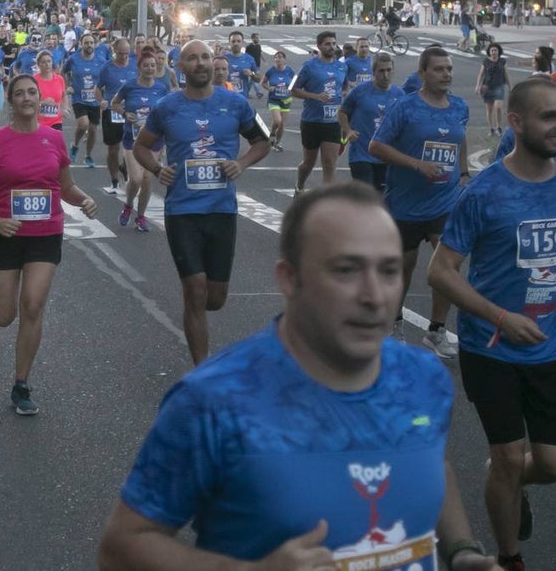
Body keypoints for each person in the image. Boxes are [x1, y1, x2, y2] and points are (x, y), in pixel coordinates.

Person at [98, 181, 497, 571]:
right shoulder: (213, 401)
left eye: (389, 271)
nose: (375, 295)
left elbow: (434, 463)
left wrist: (462, 551)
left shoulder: (424, 379)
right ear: (289, 278)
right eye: (346, 270)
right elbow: (122, 547)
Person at [428, 77, 556, 571]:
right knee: (507, 456)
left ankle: (510, 481)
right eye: (547, 117)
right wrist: (502, 316)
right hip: (493, 346)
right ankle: (510, 557)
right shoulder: (485, 192)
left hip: (549, 348)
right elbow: (440, 271)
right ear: (518, 123)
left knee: (547, 464)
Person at [0, 73, 97, 415]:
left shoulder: (54, 139)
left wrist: (84, 200)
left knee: (33, 306)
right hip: (2, 234)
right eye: (19, 93)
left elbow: (65, 186)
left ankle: (21, 384)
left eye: (32, 92)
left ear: (40, 98)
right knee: (7, 315)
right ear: (10, 101)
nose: (26, 98)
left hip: (45, 233)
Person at [133, 40, 270, 365]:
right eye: (192, 58)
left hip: (222, 210)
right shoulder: (167, 106)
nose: (200, 63)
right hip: (182, 210)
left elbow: (262, 141)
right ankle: (201, 371)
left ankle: (201, 319)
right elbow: (141, 147)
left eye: (205, 57)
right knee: (195, 290)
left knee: (215, 298)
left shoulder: (236, 104)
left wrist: (241, 163)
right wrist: (157, 168)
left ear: (214, 63)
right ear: (180, 67)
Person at [369, 46, 469, 357]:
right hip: (406, 204)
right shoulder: (405, 108)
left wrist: (463, 172)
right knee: (404, 267)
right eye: (439, 69)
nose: (446, 74)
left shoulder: (459, 107)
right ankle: (393, 323)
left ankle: (436, 330)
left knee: (447, 267)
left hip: (445, 200)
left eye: (449, 69)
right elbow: (376, 146)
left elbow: (460, 136)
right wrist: (416, 164)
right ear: (423, 73)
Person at [111, 49, 170, 233]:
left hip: (154, 140)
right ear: (139, 68)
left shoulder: (161, 88)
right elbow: (114, 103)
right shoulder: (130, 86)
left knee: (146, 179)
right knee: (135, 178)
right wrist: (124, 113)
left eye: (153, 65)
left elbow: (167, 110)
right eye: (146, 65)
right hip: (132, 138)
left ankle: (141, 216)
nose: (150, 68)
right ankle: (128, 205)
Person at [338, 52, 404, 192]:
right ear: (373, 71)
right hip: (361, 155)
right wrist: (348, 130)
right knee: (366, 197)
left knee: (382, 199)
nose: (385, 75)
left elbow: (404, 124)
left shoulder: (400, 95)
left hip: (386, 156)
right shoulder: (360, 91)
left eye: (388, 70)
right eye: (381, 71)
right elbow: (342, 112)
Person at [292, 31, 348, 195]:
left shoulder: (342, 66)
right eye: (327, 44)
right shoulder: (309, 67)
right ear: (319, 46)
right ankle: (300, 186)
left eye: (333, 44)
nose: (331, 47)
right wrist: (315, 96)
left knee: (330, 163)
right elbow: (293, 90)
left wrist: (343, 93)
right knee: (308, 163)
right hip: (312, 121)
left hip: (332, 122)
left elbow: (344, 86)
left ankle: (327, 200)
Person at [96, 38, 138, 195]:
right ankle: (114, 180)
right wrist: (102, 101)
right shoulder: (107, 68)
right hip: (112, 112)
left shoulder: (135, 65)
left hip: (131, 111)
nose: (124, 57)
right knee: (113, 148)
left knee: (132, 146)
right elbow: (97, 88)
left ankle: (126, 169)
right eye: (121, 54)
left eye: (127, 54)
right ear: (115, 51)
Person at [64, 32, 104, 168]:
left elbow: (105, 77)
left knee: (93, 130)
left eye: (91, 43)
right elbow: (64, 72)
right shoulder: (73, 59)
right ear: (81, 45)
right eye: (86, 43)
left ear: (95, 44)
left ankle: (88, 155)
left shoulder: (100, 60)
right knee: (83, 124)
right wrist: (68, 85)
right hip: (78, 98)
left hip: (94, 100)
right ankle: (75, 145)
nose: (89, 45)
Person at [260, 50, 295, 151]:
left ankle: (277, 143)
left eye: (280, 57)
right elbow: (263, 82)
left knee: (282, 125)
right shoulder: (271, 71)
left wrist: (290, 88)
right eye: (276, 57)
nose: (278, 59)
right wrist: (268, 88)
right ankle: (272, 133)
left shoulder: (289, 70)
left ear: (284, 60)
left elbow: (295, 82)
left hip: (286, 100)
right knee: (277, 121)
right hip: (274, 99)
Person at [475, 43, 512, 137]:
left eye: (495, 50)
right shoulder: (486, 61)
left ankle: (498, 127)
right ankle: (491, 128)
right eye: (492, 50)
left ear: (499, 51)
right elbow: (481, 74)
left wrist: (510, 86)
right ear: (489, 52)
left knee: (498, 106)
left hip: (499, 86)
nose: (494, 52)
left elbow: (506, 74)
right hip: (487, 87)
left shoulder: (503, 61)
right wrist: (478, 86)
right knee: (489, 109)